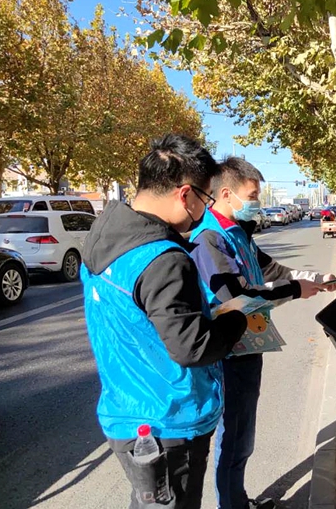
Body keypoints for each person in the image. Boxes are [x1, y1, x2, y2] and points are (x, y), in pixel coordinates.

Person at [81, 134, 249, 509]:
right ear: (185, 194)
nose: (204, 210)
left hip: (126, 409)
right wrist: (236, 319)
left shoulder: (105, 235)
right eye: (205, 199)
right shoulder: (164, 259)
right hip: (168, 420)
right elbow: (193, 347)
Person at [189, 157, 336, 509]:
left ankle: (238, 499)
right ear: (226, 194)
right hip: (228, 351)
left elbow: (272, 269)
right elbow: (236, 295)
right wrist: (295, 291)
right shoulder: (209, 239)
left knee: (243, 433)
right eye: (252, 195)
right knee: (233, 435)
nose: (257, 202)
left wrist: (317, 279)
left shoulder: (237, 232)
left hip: (248, 344)